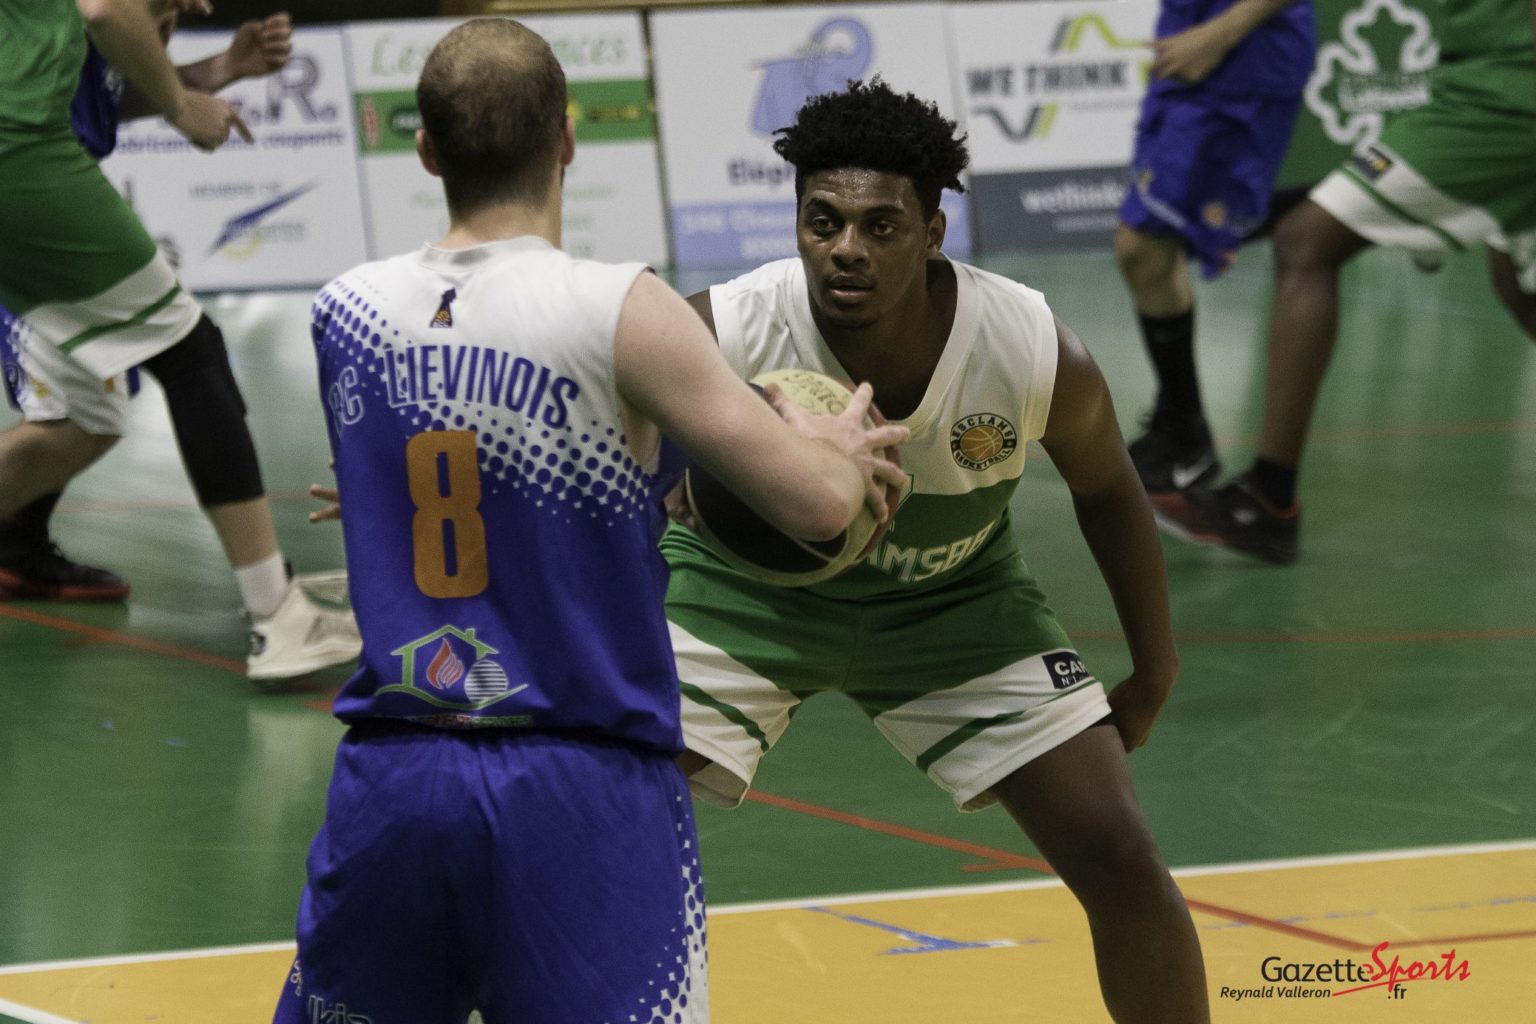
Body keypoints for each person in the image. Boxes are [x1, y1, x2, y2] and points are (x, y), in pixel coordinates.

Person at [275, 20, 908, 1023]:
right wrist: (829, 441)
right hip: (581, 785)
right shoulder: (622, 308)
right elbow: (820, 504)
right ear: (567, 138)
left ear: (427, 150)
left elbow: (462, 443)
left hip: (393, 782)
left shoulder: (346, 310)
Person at [664, 79, 1209, 1023]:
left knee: (1123, 859)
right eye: (824, 221)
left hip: (954, 601)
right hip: (742, 598)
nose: (847, 248)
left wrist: (1155, 669)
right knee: (595, 825)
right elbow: (591, 450)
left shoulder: (1026, 345)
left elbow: (1109, 492)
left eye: (881, 226)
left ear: (932, 233)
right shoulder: (727, 327)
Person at [0, 0, 357, 679]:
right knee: (192, 353)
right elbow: (106, 8)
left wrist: (204, 66)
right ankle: (276, 614)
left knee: (84, 419)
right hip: (21, 150)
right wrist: (184, 105)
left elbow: (102, 61)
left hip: (23, 148)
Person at [1159, 0, 1536, 563]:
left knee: (1306, 239)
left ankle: (1268, 500)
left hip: (1503, 96)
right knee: (1518, 285)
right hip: (1488, 81)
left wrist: (1225, 29)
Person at [1114, 0, 1315, 512]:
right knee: (1147, 251)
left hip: (1240, 62)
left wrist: (1220, 35)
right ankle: (1180, 421)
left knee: (1143, 245)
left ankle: (1186, 431)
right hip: (1184, 52)